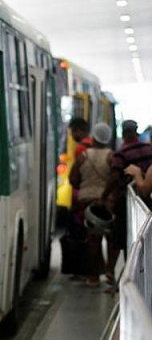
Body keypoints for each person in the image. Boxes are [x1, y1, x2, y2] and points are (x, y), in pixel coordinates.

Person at [103, 119, 152, 285]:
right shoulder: (148, 149)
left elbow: (115, 177)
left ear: (123, 134)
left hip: (128, 202)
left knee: (125, 238)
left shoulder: (121, 153)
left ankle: (127, 276)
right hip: (147, 204)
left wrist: (105, 196)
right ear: (136, 131)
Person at [69, 122, 113, 287]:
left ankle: (93, 277)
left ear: (94, 137)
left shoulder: (83, 156)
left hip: (86, 201)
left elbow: (73, 179)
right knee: (110, 238)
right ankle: (110, 271)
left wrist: (84, 186)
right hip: (106, 201)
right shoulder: (111, 156)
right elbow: (116, 177)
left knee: (92, 240)